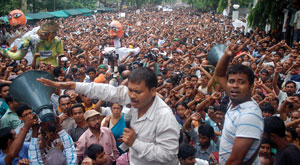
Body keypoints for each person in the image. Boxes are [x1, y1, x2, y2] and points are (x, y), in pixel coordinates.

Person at [37, 67, 180, 164]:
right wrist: (67, 86)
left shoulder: (164, 117)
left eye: (138, 92)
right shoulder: (134, 96)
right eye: (130, 90)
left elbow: (168, 154)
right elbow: (105, 90)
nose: (132, 96)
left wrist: (135, 143)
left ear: (153, 91)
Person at [215, 43, 264, 164]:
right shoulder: (236, 98)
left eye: (241, 82)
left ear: (250, 86)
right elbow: (220, 74)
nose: (235, 86)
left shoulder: (249, 116)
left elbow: (236, 161)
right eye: (231, 81)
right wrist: (227, 55)